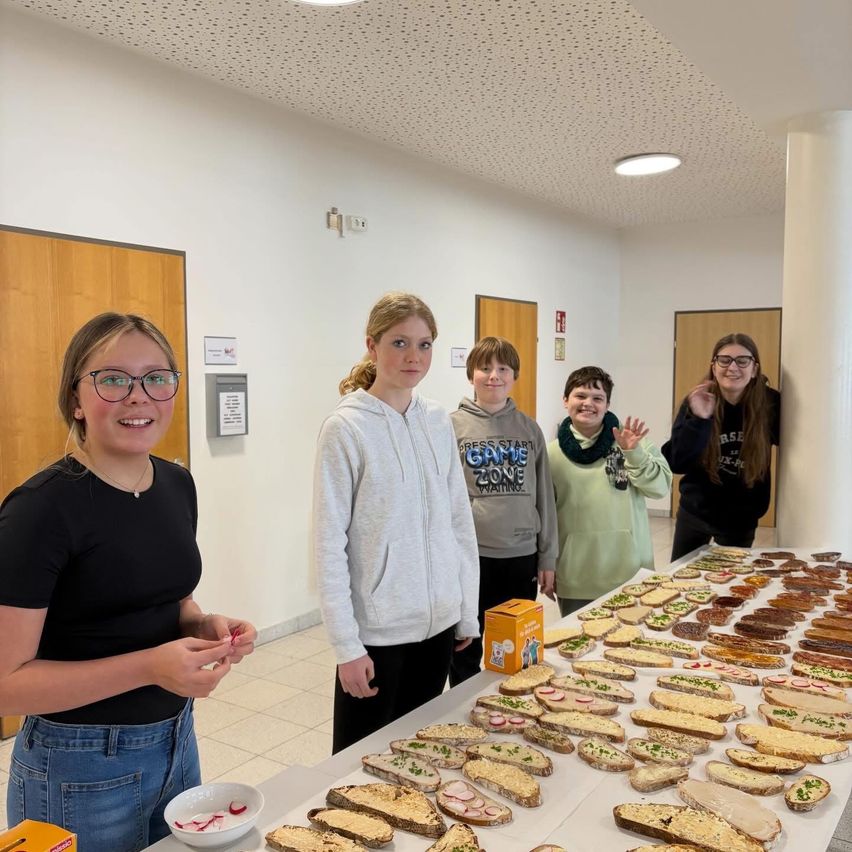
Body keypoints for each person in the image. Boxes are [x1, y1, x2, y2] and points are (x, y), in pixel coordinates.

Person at [0, 312, 256, 850]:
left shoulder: (176, 483)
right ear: (76, 398)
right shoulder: (40, 510)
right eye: (113, 379)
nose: (139, 396)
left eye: (157, 378)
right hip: (76, 767)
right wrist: (149, 667)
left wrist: (206, 624)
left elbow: (170, 597)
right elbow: (6, 683)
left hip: (176, 742)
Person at [313, 292, 479, 754]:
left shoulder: (436, 419)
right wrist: (347, 646)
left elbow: (458, 522)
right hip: (379, 636)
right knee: (359, 764)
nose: (413, 357)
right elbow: (329, 544)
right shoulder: (346, 428)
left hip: (440, 625)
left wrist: (465, 609)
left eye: (424, 345)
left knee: (417, 753)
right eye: (400, 343)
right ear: (372, 345)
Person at [448, 336, 557, 686]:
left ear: (515, 376)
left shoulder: (529, 429)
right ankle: (462, 718)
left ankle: (514, 711)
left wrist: (547, 558)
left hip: (520, 556)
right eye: (484, 368)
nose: (493, 375)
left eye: (503, 368)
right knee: (465, 648)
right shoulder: (450, 427)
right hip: (470, 558)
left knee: (515, 649)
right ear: (471, 375)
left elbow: (545, 498)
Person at [547, 366, 672, 617]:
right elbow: (545, 519)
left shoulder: (633, 441)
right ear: (565, 400)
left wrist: (632, 453)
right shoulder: (551, 454)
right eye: (580, 396)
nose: (588, 404)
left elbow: (660, 489)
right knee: (579, 649)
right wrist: (546, 565)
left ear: (607, 404)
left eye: (597, 398)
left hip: (631, 571)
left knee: (633, 648)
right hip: (577, 576)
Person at [662, 333, 780, 561]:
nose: (732, 367)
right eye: (724, 360)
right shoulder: (697, 400)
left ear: (754, 369)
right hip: (696, 510)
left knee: (731, 588)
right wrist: (699, 419)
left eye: (742, 360)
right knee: (682, 580)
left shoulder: (771, 404)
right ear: (714, 367)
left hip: (742, 516)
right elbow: (677, 462)